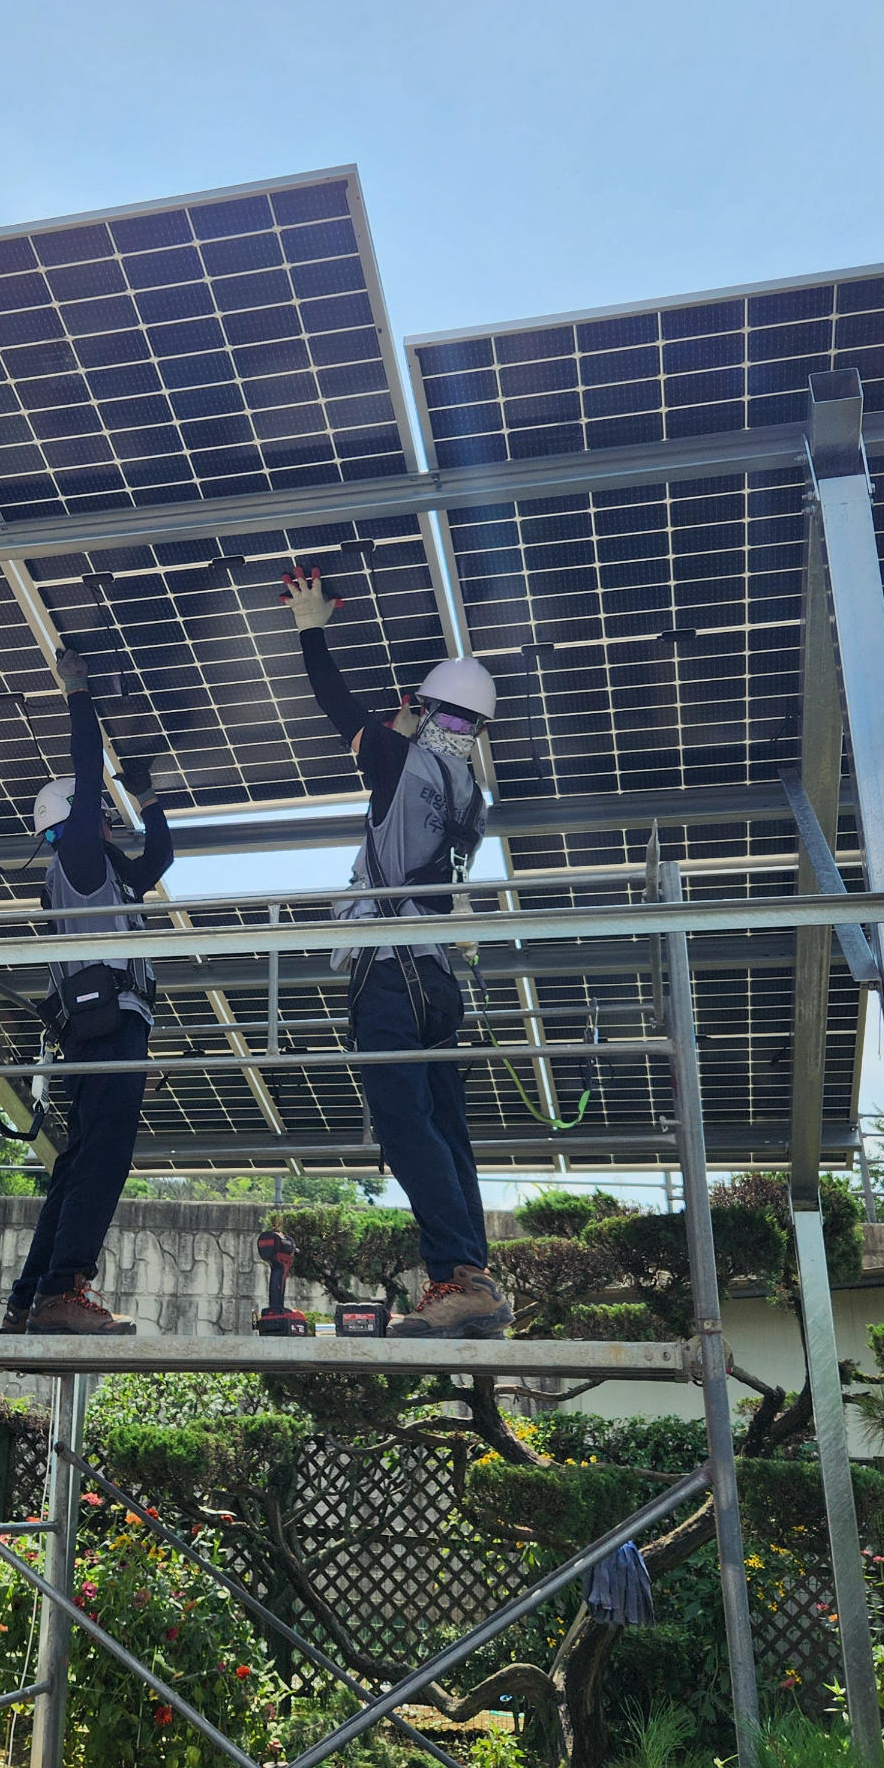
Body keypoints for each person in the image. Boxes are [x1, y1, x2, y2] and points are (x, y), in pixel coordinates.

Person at [280, 565, 513, 1340]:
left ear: (425, 709)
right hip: (440, 981)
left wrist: (311, 628)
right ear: (478, 729)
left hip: (390, 973)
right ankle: (473, 1280)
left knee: (405, 1126)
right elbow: (424, 800)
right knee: (445, 1129)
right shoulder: (472, 799)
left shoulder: (396, 760)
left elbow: (336, 704)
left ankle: (454, 1276)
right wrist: (415, 724)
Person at [0, 646, 174, 1336]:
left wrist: (149, 796)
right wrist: (78, 694)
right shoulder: (76, 859)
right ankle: (64, 1291)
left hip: (104, 1030)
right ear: (75, 820)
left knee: (79, 1163)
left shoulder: (105, 874)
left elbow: (158, 858)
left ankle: (31, 1298)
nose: (107, 817)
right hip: (106, 1030)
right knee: (102, 1159)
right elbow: (82, 763)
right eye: (100, 809)